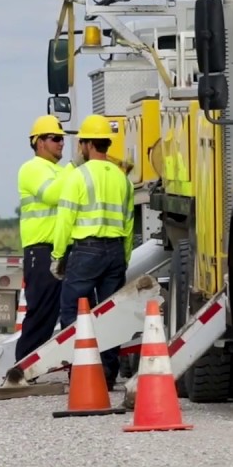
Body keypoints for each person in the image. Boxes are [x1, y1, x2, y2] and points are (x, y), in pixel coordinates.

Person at [51, 114, 134, 389]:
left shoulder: (77, 176)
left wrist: (58, 255)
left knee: (74, 311)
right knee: (110, 313)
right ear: (107, 144)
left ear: (86, 144)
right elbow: (129, 222)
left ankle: (82, 371)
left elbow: (65, 219)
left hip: (86, 251)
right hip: (115, 251)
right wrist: (125, 255)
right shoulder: (122, 178)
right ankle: (107, 376)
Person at [13, 115, 72, 361]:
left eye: (62, 139)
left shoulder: (57, 171)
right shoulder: (32, 168)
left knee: (59, 311)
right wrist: (76, 167)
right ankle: (23, 366)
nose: (61, 143)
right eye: (55, 138)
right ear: (39, 142)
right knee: (41, 313)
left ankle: (35, 364)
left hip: (58, 249)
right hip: (41, 251)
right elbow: (52, 194)